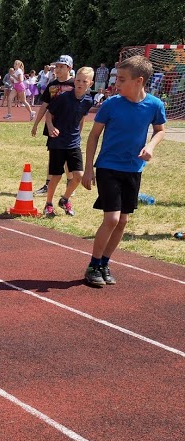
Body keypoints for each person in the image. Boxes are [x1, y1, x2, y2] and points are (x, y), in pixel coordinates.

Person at [81, 56, 166, 288]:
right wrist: (88, 169)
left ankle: (104, 264)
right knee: (112, 218)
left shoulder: (154, 105)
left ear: (139, 81)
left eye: (121, 79)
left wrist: (150, 146)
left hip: (133, 169)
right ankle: (93, 265)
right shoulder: (111, 104)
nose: (116, 83)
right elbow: (93, 136)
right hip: (108, 167)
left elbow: (160, 130)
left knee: (123, 221)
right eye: (116, 78)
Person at [41, 67, 95, 218]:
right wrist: (51, 128)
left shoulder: (88, 101)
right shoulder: (63, 98)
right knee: (56, 176)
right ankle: (48, 204)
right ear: (74, 80)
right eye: (78, 80)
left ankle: (64, 199)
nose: (80, 83)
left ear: (90, 84)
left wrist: (79, 134)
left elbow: (81, 118)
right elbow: (49, 114)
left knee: (78, 175)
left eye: (84, 81)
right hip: (58, 142)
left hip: (73, 142)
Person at [32, 55, 76, 195]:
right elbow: (44, 105)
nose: (58, 69)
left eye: (61, 67)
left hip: (68, 127)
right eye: (56, 66)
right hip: (53, 125)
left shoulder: (75, 84)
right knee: (53, 155)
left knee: (68, 156)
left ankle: (70, 182)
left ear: (69, 68)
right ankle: (48, 184)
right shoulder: (52, 85)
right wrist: (36, 124)